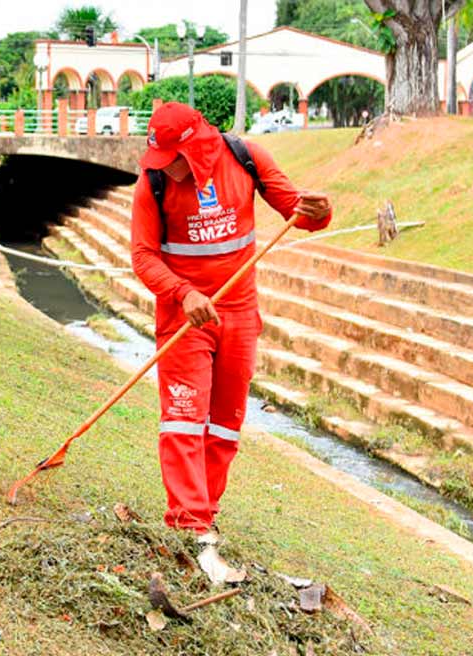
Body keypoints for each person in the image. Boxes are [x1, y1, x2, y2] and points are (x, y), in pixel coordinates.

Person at [131, 102, 332, 566]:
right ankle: (189, 524)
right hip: (185, 317)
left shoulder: (246, 157)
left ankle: (206, 512)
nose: (166, 171)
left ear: (196, 148)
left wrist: (319, 212)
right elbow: (143, 256)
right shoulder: (153, 185)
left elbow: (297, 212)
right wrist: (183, 294)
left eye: (173, 161)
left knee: (224, 422)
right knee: (183, 418)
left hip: (239, 313)